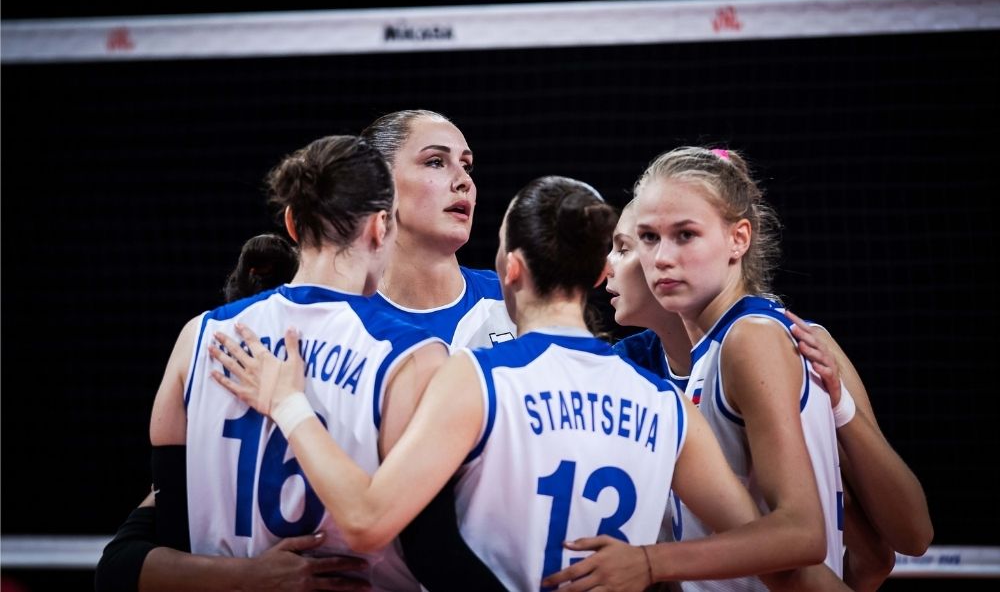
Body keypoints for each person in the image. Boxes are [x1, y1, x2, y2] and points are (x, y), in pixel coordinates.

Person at [211, 175, 836, 591]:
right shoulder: (664, 403)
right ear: (599, 274)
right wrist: (648, 566)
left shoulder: (477, 378)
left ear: (509, 268)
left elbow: (369, 519)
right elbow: (781, 545)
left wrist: (289, 403)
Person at [141, 134, 511, 591]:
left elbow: (168, 543)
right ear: (381, 227)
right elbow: (430, 552)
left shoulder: (198, 339)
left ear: (293, 224)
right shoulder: (410, 357)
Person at [605, 172, 931, 590]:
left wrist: (650, 563)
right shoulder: (689, 352)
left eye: (684, 235)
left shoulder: (757, 339)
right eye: (648, 238)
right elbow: (866, 555)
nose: (663, 256)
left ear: (738, 239)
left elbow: (837, 538)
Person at [95, 229, 361, 592]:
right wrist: (255, 576)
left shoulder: (199, 344)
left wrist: (247, 575)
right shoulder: (367, 368)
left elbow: (122, 564)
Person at [361, 109, 516, 349]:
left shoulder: (516, 302)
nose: (464, 180)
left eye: (466, 165)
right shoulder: (342, 320)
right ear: (378, 184)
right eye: (435, 162)